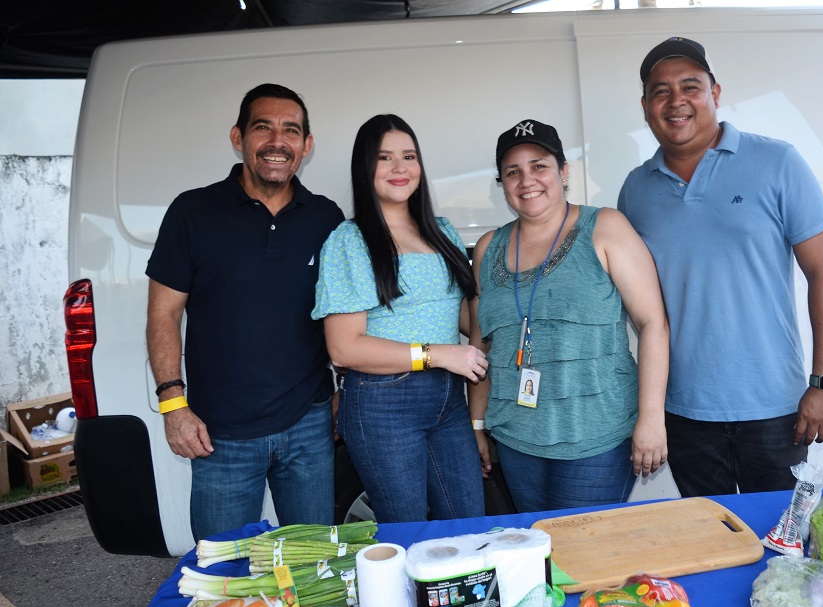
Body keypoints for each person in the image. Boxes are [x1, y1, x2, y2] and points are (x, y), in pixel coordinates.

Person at [618, 37, 823, 496]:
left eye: (690, 86)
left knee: (784, 548)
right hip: (683, 412)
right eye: (661, 91)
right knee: (716, 544)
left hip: (775, 409)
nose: (676, 100)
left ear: (715, 93)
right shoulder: (635, 191)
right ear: (645, 106)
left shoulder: (777, 162)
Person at [146, 83, 343, 542]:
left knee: (313, 568)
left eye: (290, 131)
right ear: (238, 137)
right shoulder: (193, 212)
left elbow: (344, 314)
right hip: (220, 435)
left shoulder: (326, 218)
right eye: (263, 128)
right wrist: (173, 405)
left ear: (306, 146)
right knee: (222, 576)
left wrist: (342, 389)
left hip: (309, 426)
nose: (278, 142)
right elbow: (163, 315)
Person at [469, 119, 670, 513]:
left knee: (583, 559)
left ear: (564, 172)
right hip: (515, 438)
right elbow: (482, 345)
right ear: (503, 183)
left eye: (539, 165)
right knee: (540, 552)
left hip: (595, 437)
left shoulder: (605, 227)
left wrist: (651, 419)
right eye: (513, 171)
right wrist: (476, 426)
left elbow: (653, 325)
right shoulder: (488, 248)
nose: (527, 180)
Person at [312, 114, 488, 523]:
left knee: (468, 524)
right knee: (407, 530)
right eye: (384, 157)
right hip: (382, 404)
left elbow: (459, 314)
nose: (399, 168)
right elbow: (344, 347)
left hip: (448, 399)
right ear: (364, 168)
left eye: (408, 156)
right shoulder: (349, 241)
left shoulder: (439, 230)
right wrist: (436, 355)